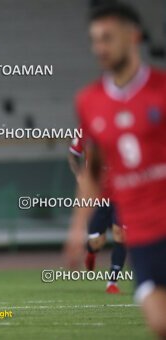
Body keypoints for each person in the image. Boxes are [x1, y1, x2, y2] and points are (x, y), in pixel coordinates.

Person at [64, 3, 166, 337]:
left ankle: (112, 278)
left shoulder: (161, 91)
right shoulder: (89, 101)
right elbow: (91, 169)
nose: (100, 48)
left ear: (133, 36)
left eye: (107, 38)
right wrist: (78, 228)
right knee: (159, 322)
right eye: (95, 40)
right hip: (144, 230)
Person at [68, 136, 127, 293]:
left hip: (120, 194)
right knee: (96, 241)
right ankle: (91, 252)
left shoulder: (120, 125)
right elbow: (73, 155)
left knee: (120, 234)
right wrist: (79, 174)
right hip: (97, 196)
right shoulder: (85, 129)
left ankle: (112, 282)